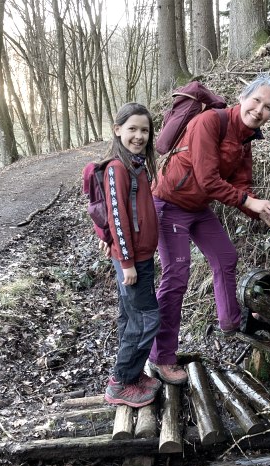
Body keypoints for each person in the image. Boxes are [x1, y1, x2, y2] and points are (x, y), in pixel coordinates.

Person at [148, 74, 270, 385]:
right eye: (256, 100)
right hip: (168, 204)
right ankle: (161, 357)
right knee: (176, 277)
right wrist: (251, 203)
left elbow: (240, 188)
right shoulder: (209, 122)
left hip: (197, 208)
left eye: (268, 107)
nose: (259, 110)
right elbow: (209, 179)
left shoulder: (245, 140)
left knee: (225, 257)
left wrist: (263, 215)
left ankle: (231, 323)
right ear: (243, 97)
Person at [100, 102, 162, 407]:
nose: (139, 135)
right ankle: (121, 382)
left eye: (145, 130)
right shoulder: (118, 168)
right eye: (132, 129)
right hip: (132, 261)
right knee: (147, 319)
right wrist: (126, 263)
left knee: (131, 317)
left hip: (139, 257)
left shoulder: (137, 166)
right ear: (118, 130)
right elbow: (117, 217)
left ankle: (132, 374)